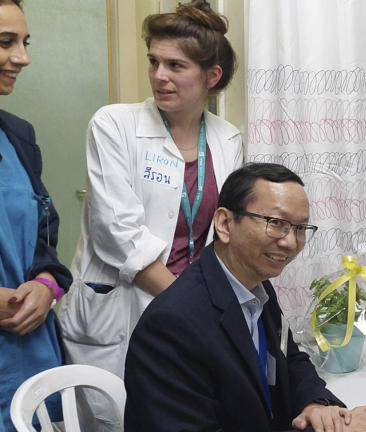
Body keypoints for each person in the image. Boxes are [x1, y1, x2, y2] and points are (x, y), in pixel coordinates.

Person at [124, 163, 366, 432]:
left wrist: (317, 406)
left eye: (301, 228)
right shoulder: (170, 326)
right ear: (225, 223)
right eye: (276, 223)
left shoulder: (255, 286)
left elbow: (289, 360)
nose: (291, 242)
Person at [58, 0, 243, 382]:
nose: (159, 76)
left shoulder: (228, 139)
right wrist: (189, 306)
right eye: (153, 61)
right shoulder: (114, 124)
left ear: (212, 76)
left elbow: (223, 233)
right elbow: (117, 232)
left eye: (176, 65)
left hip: (190, 311)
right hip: (123, 312)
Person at [0, 0, 74, 429]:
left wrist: (47, 286)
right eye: (5, 42)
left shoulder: (19, 136)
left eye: (24, 42)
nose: (22, 57)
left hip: (30, 355)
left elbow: (45, 236)